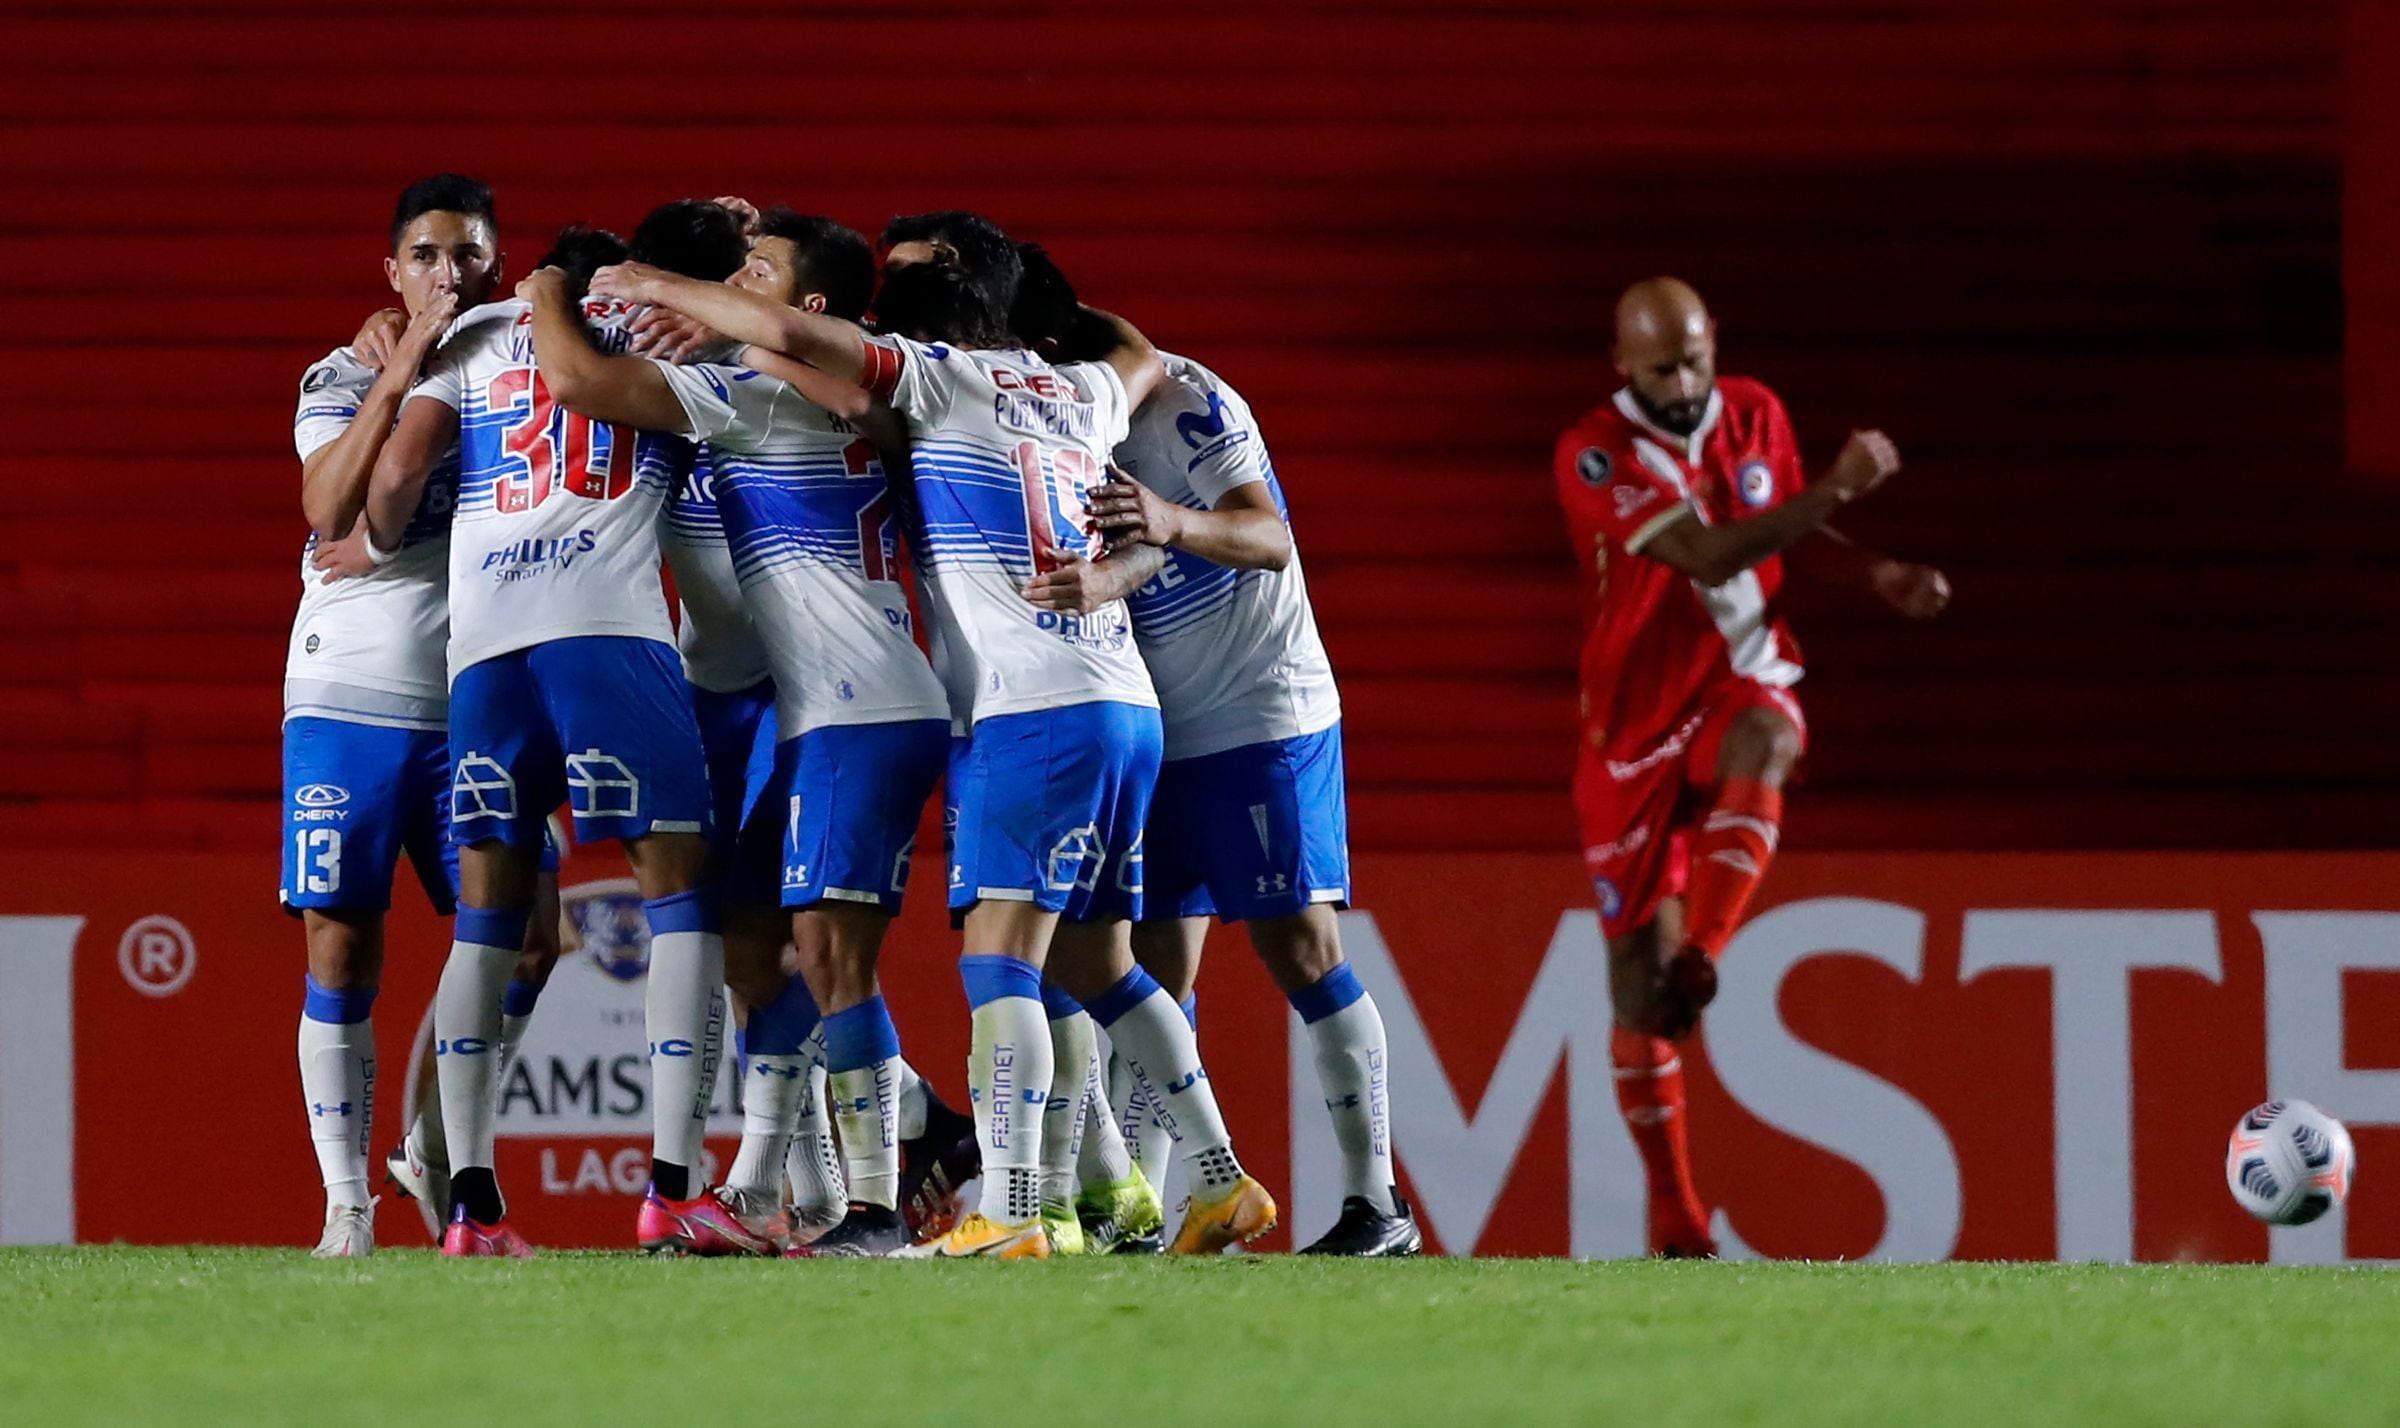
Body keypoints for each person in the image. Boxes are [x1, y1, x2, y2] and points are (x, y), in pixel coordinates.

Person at [592, 210, 1275, 1258]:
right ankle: (1211, 1178)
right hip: (1124, 703)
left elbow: (812, 343)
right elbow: (1134, 353)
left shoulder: (936, 377)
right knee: (1096, 964)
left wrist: (651, 282)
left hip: (1026, 701)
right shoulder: (1084, 387)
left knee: (998, 961)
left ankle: (1004, 1206)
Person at [529, 206, 962, 1257]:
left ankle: (878, 1195)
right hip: (825, 707)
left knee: (826, 954)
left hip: (858, 705)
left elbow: (581, 384)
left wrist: (555, 284)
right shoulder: (818, 394)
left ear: (802, 308)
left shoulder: (758, 402)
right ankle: (794, 1183)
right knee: (763, 945)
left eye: (753, 271)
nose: (733, 280)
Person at [1011, 245, 1418, 1256]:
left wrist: (1167, 521)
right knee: (1151, 959)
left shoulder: (1185, 401)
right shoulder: (1041, 420)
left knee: (1300, 944)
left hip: (1258, 709)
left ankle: (1378, 1204)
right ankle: (1164, 1210)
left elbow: (1266, 534)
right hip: (1155, 722)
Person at [364, 202, 749, 1256]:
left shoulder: (482, 334)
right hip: (606, 635)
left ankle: (470, 1208)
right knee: (681, 897)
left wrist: (380, 535)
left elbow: (398, 478)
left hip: (484, 654)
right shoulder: (693, 365)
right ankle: (676, 1185)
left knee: (485, 923)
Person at [1552, 277, 1951, 1257]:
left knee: (1770, 738)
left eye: (1695, 359)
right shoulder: (1595, 450)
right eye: (1660, 368)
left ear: (1713, 341)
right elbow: (1711, 554)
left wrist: (1876, 571)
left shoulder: (1757, 412)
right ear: (1622, 366)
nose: (1684, 382)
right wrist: (1843, 484)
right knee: (1641, 1006)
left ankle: (1710, 950)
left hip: (1740, 679)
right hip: (1634, 722)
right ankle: (1676, 1217)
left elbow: (1789, 534)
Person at [283, 173, 558, 1257]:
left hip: (479, 692)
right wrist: (399, 366)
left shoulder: (516, 365)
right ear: (392, 272)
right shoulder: (338, 374)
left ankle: (437, 1147)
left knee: (532, 938)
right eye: (431, 257)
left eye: (472, 258)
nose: (451, 275)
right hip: (348, 688)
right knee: (342, 946)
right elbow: (325, 508)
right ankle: (346, 1202)